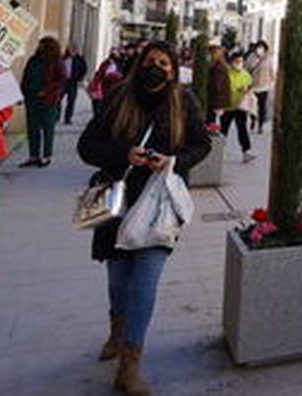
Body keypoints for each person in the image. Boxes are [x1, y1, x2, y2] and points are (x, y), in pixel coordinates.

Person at [78, 41, 210, 396]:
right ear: (140, 64)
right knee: (118, 280)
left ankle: (130, 365)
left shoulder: (184, 101)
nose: (158, 67)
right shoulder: (120, 96)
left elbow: (202, 144)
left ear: (173, 69)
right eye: (151, 61)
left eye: (164, 63)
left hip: (159, 204)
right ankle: (117, 332)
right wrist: (124, 153)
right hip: (116, 200)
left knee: (144, 283)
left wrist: (172, 162)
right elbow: (86, 146)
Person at [20, 36, 67, 167]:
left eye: (42, 44)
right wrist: (24, 92)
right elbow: (26, 77)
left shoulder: (56, 61)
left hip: (49, 101)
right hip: (32, 99)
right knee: (32, 128)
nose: (39, 47)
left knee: (48, 128)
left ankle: (46, 156)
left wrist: (47, 91)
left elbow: (61, 80)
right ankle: (33, 155)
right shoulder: (33, 60)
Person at [219, 50, 256, 163]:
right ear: (231, 62)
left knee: (242, 129)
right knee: (223, 130)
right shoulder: (226, 74)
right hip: (227, 106)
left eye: (241, 61)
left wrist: (247, 90)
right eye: (236, 61)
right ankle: (220, 152)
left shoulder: (246, 75)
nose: (239, 63)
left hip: (241, 107)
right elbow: (222, 88)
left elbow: (250, 86)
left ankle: (246, 152)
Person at [246, 41, 275, 133]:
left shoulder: (268, 59)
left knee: (262, 106)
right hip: (253, 86)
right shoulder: (251, 58)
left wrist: (272, 82)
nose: (260, 49)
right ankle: (253, 120)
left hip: (264, 86)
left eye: (262, 47)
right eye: (258, 47)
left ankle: (260, 126)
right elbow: (246, 70)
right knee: (253, 106)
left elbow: (271, 71)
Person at [89, 49, 124, 120]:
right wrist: (94, 87)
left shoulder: (121, 64)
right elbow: (99, 75)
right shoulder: (105, 64)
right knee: (99, 107)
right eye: (112, 53)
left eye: (115, 53)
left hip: (114, 89)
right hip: (103, 88)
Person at [62, 46, 89, 125]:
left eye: (73, 49)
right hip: (63, 81)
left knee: (71, 100)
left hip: (72, 81)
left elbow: (84, 68)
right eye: (70, 49)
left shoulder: (79, 59)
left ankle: (67, 118)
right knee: (58, 99)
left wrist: (79, 77)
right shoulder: (63, 58)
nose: (71, 51)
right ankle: (56, 115)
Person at [206, 45, 231, 126]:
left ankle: (214, 135)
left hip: (216, 99)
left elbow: (217, 85)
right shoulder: (220, 65)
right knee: (213, 120)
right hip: (219, 99)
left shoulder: (218, 67)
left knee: (211, 121)